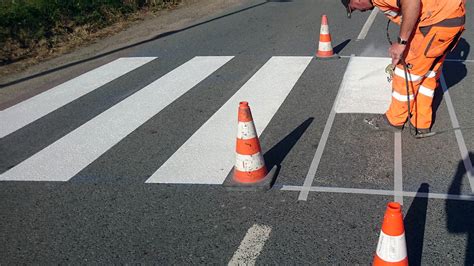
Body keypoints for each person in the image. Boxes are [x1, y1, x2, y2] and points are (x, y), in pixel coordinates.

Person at [341, 0, 466, 134]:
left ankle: (395, 120)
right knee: (428, 75)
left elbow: (411, 2)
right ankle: (421, 122)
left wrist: (401, 43)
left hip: (434, 24)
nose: (360, 11)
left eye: (353, 8)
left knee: (405, 73)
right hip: (450, 21)